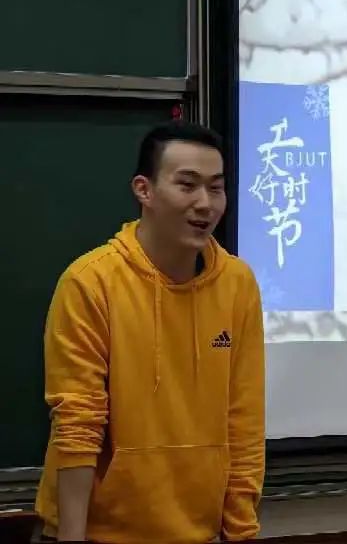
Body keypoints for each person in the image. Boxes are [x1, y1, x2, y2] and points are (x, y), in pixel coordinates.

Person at [34, 121, 266, 542]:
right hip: (96, 533)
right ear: (144, 190)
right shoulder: (91, 282)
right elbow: (77, 423)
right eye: (187, 185)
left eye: (216, 188)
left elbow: (244, 419)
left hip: (196, 532)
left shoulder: (238, 284)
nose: (205, 203)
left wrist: (241, 532)